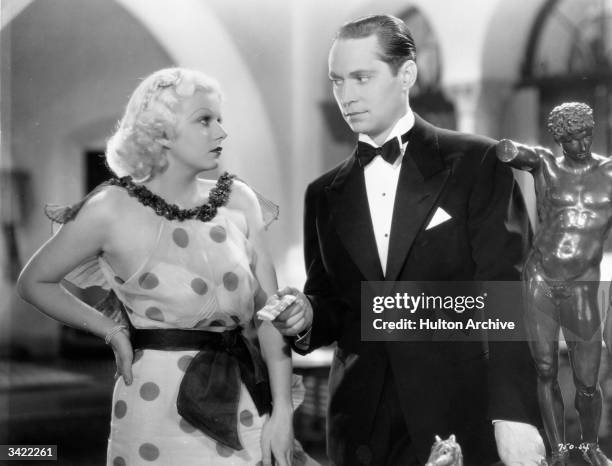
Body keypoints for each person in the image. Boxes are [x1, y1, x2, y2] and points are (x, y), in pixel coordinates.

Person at [270, 15, 544, 465]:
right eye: (337, 81)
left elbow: (508, 296)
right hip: (359, 426)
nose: (347, 95)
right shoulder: (323, 194)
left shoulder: (477, 162)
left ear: (407, 75)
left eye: (362, 77)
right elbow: (337, 308)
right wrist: (304, 317)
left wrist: (514, 415)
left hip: (460, 416)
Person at [17, 68, 298, 466]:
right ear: (162, 132)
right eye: (204, 120)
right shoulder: (111, 208)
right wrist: (110, 330)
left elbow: (270, 315)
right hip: (153, 410)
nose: (221, 133)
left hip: (243, 403)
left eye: (220, 119)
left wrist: (283, 411)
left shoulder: (240, 199)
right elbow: (34, 282)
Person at [496, 102, 612, 465]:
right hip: (541, 278)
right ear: (560, 139)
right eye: (572, 138)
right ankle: (559, 448)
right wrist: (506, 150)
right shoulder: (545, 163)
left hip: (583, 284)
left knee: (588, 382)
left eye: (586, 137)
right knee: (545, 370)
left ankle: (590, 444)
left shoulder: (609, 173)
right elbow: (508, 151)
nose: (581, 144)